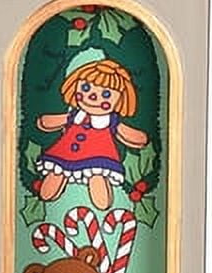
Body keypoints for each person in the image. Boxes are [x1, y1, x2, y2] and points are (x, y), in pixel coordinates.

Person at [34, 53, 148, 211]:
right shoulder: (75, 116)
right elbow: (46, 122)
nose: (93, 96)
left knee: (97, 178)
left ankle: (101, 200)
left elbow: (135, 137)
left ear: (120, 100)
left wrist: (140, 138)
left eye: (106, 94)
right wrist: (45, 122)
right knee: (55, 177)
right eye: (86, 88)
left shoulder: (109, 121)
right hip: (64, 154)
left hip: (98, 156)